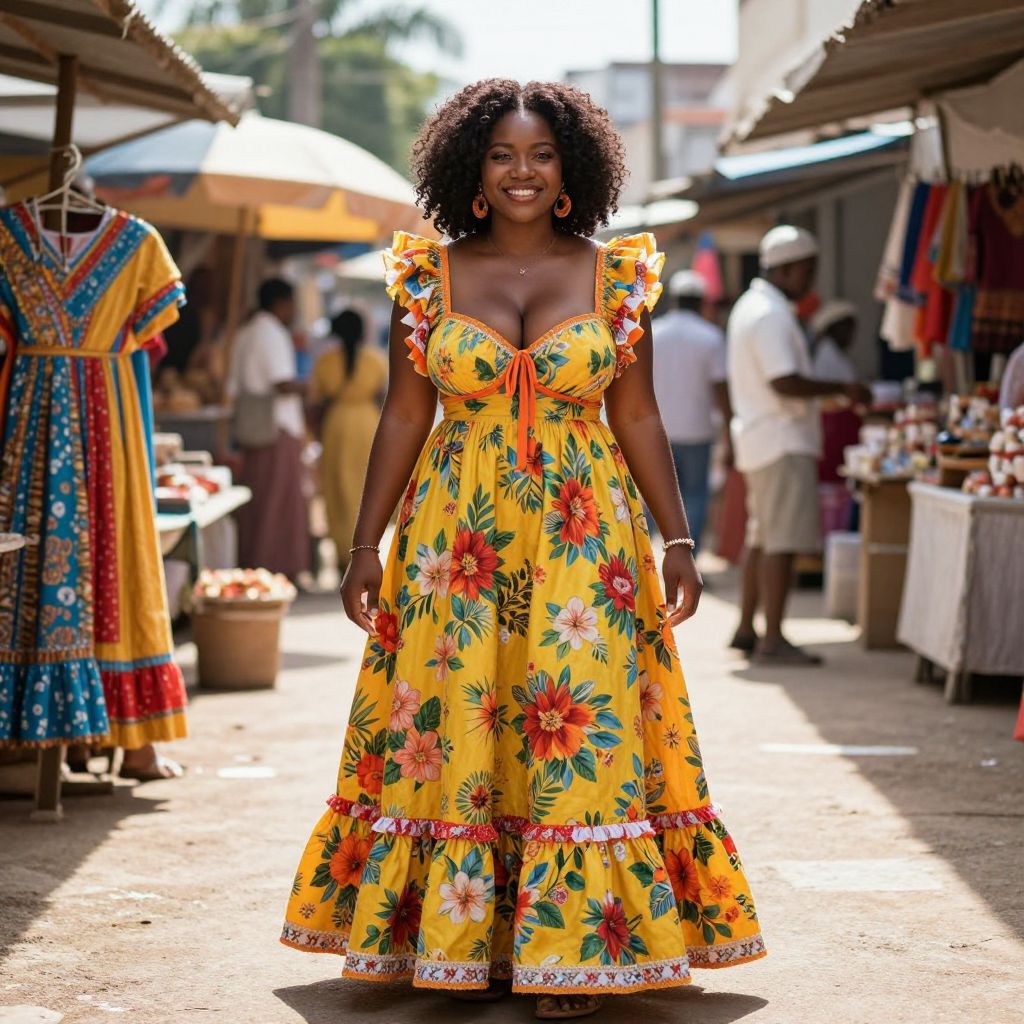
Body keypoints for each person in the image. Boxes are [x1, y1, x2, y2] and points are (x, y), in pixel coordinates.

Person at [281, 80, 765, 1019]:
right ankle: (471, 940)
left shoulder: (617, 277)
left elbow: (637, 413)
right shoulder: (426, 277)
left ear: (570, 167)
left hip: (585, 537)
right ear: (472, 168)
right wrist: (363, 544)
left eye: (541, 154)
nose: (522, 172)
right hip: (452, 540)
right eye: (502, 154)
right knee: (460, 723)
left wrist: (677, 537)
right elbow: (404, 416)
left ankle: (568, 953)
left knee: (573, 720)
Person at [728, 227, 872, 665]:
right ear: (786, 269)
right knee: (781, 544)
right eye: (808, 271)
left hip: (762, 438)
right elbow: (784, 381)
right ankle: (772, 639)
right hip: (781, 439)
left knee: (763, 538)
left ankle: (747, 628)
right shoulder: (771, 314)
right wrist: (843, 388)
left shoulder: (752, 306)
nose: (811, 281)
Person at [228, 278, 309, 579]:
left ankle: (256, 565)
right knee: (277, 504)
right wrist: (309, 388)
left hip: (254, 427)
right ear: (281, 304)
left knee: (258, 502)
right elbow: (282, 382)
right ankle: (273, 569)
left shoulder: (245, 332)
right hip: (276, 427)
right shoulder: (271, 333)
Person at [651, 269, 732, 551]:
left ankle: (650, 555)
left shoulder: (654, 333)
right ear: (700, 302)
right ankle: (687, 557)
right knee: (694, 497)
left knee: (655, 494)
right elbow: (721, 389)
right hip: (698, 431)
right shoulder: (710, 337)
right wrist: (729, 433)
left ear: (672, 299)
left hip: (658, 431)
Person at [310, 309, 388, 570]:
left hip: (336, 427)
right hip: (367, 425)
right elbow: (383, 398)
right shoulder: (375, 359)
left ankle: (344, 555)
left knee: (337, 491)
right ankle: (365, 550)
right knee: (364, 488)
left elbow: (317, 403)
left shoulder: (325, 362)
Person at [810, 300, 859, 383]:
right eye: (847, 329)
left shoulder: (835, 352)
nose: (851, 335)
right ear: (833, 329)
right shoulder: (826, 354)